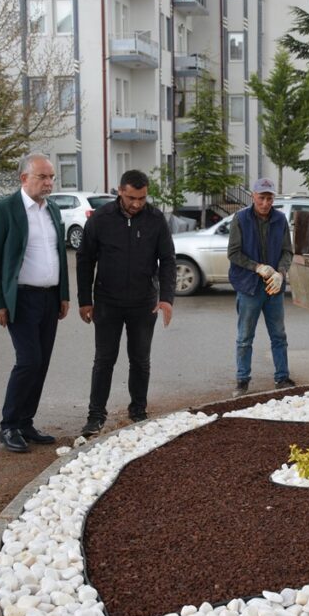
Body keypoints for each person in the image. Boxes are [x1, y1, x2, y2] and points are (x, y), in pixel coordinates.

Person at [0, 154, 70, 453]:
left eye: (51, 177)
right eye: (42, 177)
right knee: (28, 360)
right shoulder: (4, 210)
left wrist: (63, 294)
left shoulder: (53, 209)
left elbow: (59, 255)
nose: (49, 183)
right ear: (23, 178)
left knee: (41, 363)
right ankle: (8, 426)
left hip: (50, 297)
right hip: (20, 299)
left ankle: (25, 422)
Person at [76, 169, 175, 436]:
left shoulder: (156, 219)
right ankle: (96, 416)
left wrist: (166, 298)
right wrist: (85, 300)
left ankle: (138, 410)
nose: (137, 204)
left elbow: (167, 260)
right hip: (107, 302)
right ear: (120, 191)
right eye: (132, 198)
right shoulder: (100, 219)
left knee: (140, 360)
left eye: (142, 198)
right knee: (104, 360)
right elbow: (85, 260)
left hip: (144, 303)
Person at [227, 177, 295, 396]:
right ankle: (242, 381)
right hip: (249, 287)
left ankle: (282, 378)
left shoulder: (280, 219)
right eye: (261, 198)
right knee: (245, 337)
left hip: (273, 287)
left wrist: (281, 273)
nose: (265, 203)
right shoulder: (240, 219)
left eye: (269, 198)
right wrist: (257, 267)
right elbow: (233, 253)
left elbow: (287, 251)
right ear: (253, 196)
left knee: (279, 335)